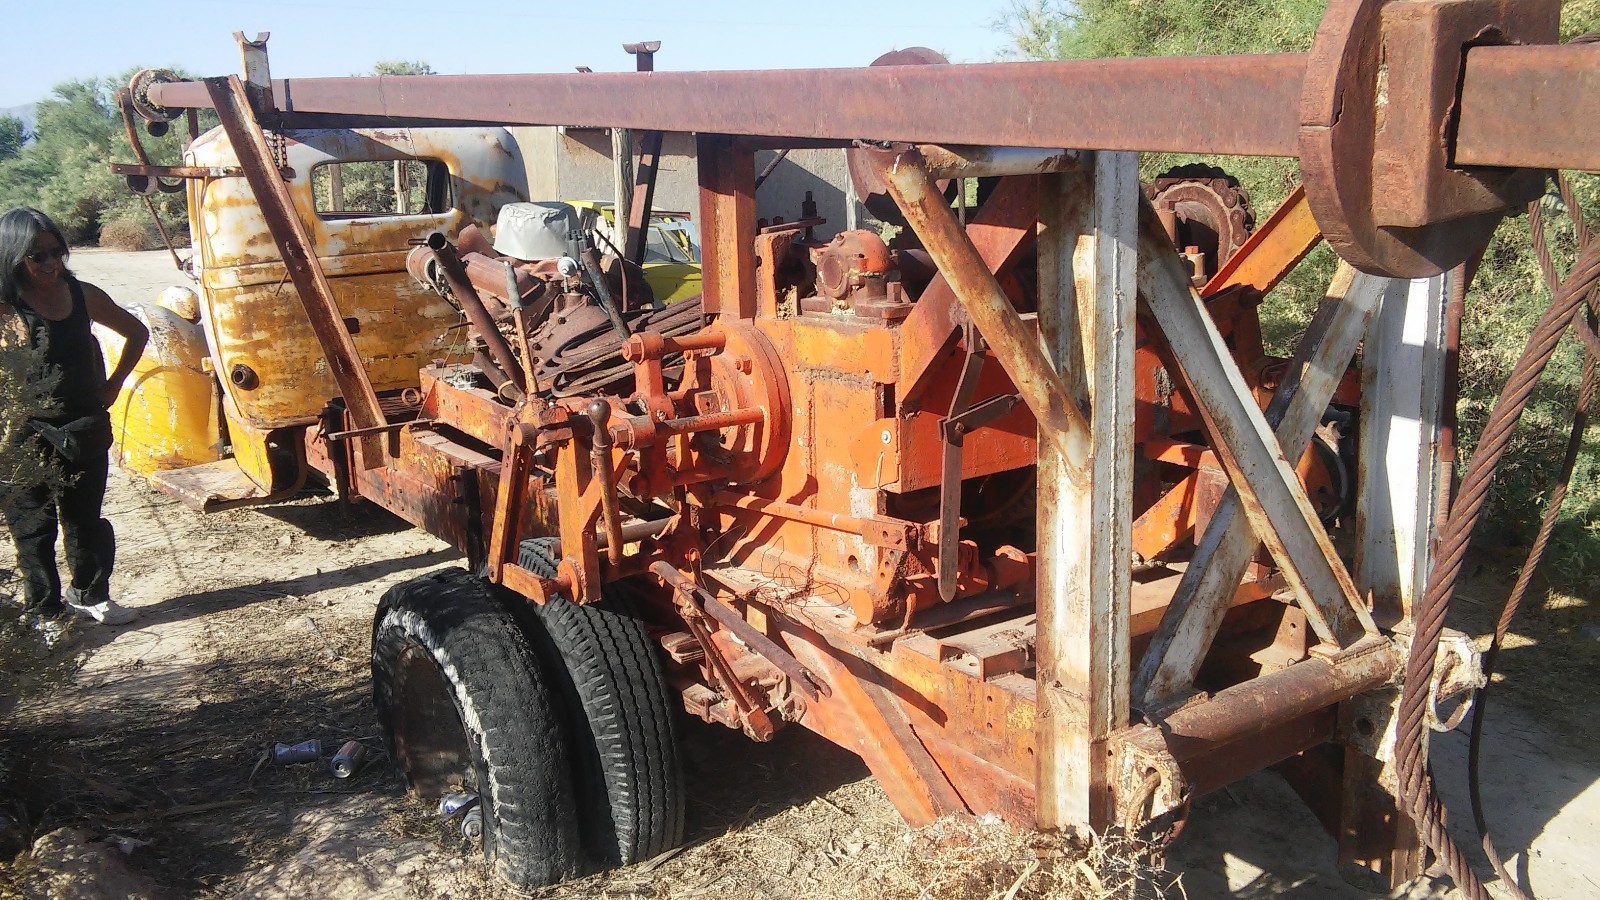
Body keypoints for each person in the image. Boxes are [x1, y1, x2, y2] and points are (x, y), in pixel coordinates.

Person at [1, 207, 147, 632]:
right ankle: (45, 612)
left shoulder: (83, 294)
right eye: (36, 256)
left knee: (86, 519)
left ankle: (91, 596)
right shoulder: (6, 306)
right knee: (33, 527)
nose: (49, 264)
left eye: (55, 252)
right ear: (13, 257)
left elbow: (136, 332)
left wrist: (114, 385)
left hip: (82, 425)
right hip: (21, 435)